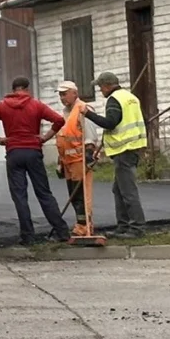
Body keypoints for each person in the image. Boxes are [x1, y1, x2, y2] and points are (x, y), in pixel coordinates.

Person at [0, 76, 72, 244]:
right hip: (33, 152)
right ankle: (62, 232)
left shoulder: (2, 105)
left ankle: (28, 236)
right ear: (27, 89)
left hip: (14, 153)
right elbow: (59, 120)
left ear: (13, 89)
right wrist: (44, 138)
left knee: (20, 196)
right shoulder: (36, 105)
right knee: (44, 193)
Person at [82, 72, 148, 238]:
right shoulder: (130, 97)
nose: (100, 90)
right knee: (118, 190)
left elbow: (111, 123)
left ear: (106, 85)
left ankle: (137, 228)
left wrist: (88, 114)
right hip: (133, 147)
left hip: (124, 150)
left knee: (128, 191)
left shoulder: (114, 100)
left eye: (100, 87)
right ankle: (123, 226)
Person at [56, 80, 100, 237]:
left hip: (80, 160)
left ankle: (85, 227)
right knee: (74, 196)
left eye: (65, 94)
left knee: (82, 195)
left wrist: (89, 154)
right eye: (60, 94)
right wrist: (59, 162)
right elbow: (63, 138)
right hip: (68, 161)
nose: (62, 97)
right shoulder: (65, 112)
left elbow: (90, 135)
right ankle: (80, 225)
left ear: (75, 93)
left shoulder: (83, 109)